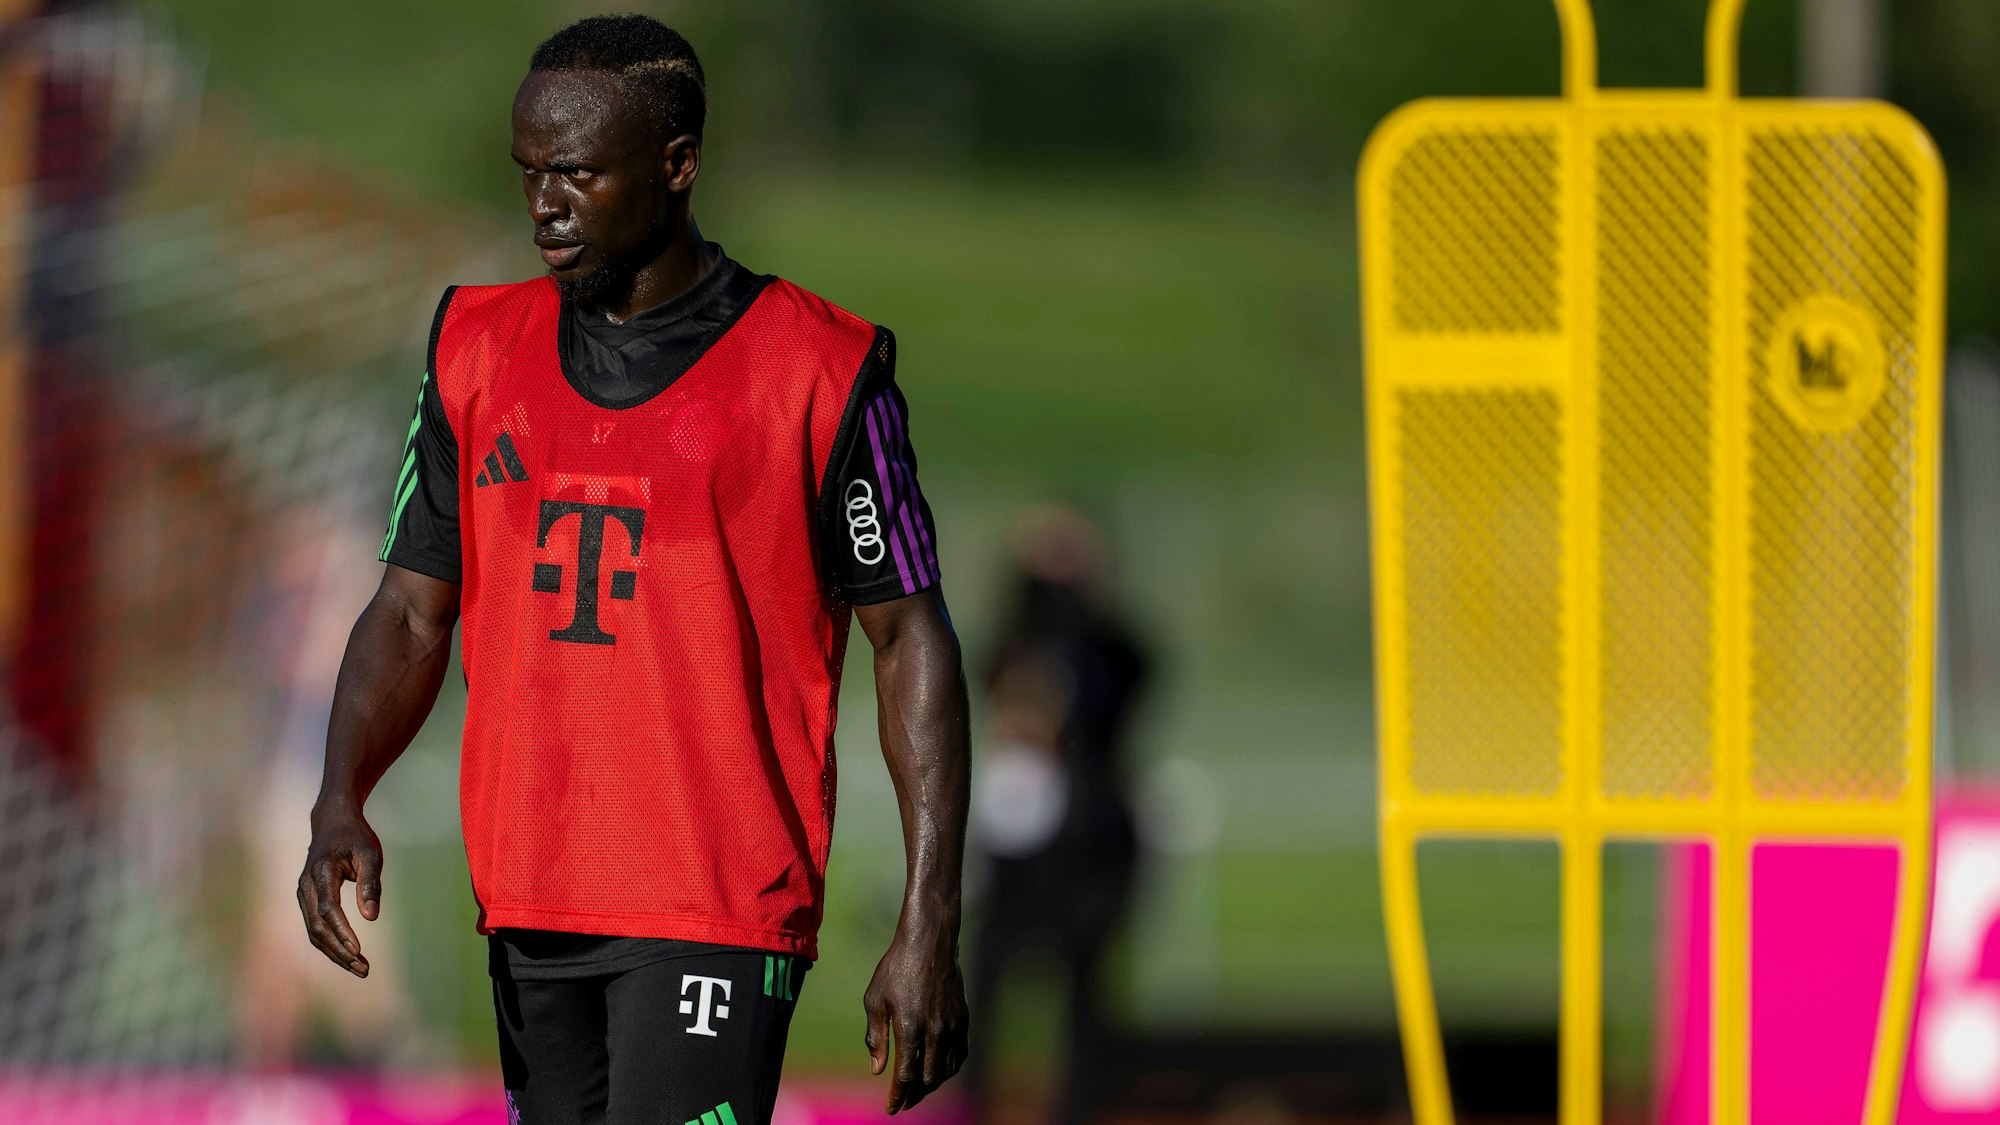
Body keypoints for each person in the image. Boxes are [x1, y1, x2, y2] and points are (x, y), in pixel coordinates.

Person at [295, 16, 970, 1124]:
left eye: (575, 173)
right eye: (526, 174)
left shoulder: (820, 367)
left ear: (677, 164)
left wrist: (926, 919)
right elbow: (411, 615)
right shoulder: (473, 347)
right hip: (527, 888)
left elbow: (910, 638)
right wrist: (339, 797)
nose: (543, 203)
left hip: (714, 897)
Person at [964, 508, 1149, 1125]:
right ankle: (975, 1106)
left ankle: (1078, 1107)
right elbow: (998, 673)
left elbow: (1124, 677)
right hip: (1021, 849)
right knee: (986, 984)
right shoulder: (1015, 644)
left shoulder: (1111, 653)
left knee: (1087, 999)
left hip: (1090, 839)